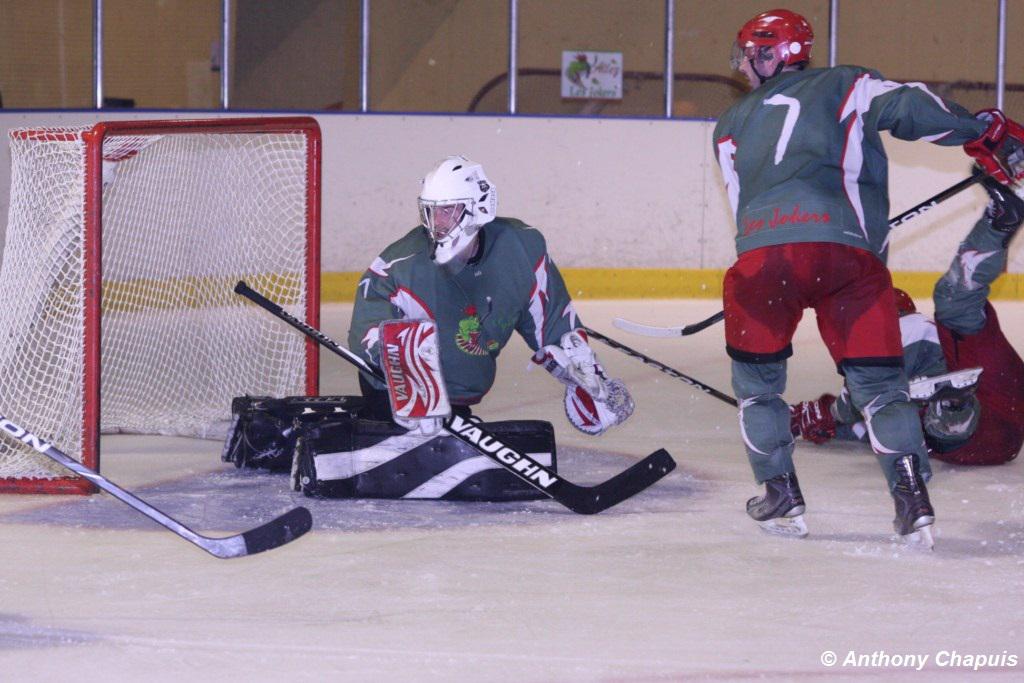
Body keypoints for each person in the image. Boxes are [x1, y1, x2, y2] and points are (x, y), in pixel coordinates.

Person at [714, 8, 1024, 544]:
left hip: (762, 259)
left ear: (775, 54)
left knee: (758, 390)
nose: (743, 65)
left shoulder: (729, 124)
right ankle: (911, 497)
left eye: (751, 54)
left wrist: (769, 262)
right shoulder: (846, 82)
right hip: (848, 258)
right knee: (880, 388)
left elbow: (742, 208)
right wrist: (983, 132)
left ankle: (779, 492)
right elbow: (911, 108)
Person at [348, 155, 634, 436]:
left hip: (458, 399)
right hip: (395, 399)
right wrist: (409, 386)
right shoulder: (400, 266)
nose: (438, 222)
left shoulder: (521, 249)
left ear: (479, 207)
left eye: (448, 210)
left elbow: (552, 320)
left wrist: (580, 369)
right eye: (431, 211)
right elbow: (367, 330)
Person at [791, 176, 1024, 466]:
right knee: (955, 305)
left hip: (981, 432)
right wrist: (826, 424)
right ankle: (998, 223)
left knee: (912, 419)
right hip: (1003, 397)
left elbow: (861, 393)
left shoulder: (905, 330)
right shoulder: (914, 345)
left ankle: (953, 409)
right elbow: (865, 420)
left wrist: (827, 412)